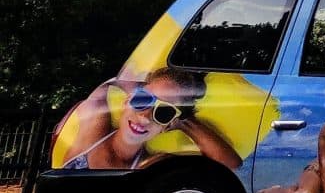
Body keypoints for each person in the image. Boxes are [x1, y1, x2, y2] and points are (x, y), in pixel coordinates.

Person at [59, 68, 241, 172]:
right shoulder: (94, 126)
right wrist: (133, 91)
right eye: (142, 100)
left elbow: (229, 164)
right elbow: (99, 73)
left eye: (163, 112)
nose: (144, 116)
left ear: (167, 127)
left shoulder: (151, 165)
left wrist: (183, 120)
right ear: (127, 100)